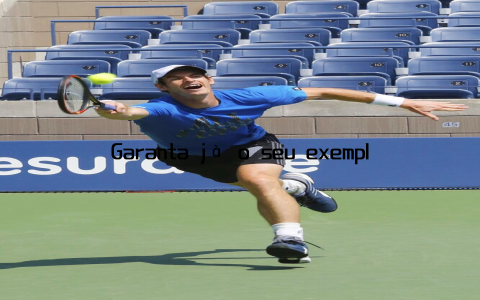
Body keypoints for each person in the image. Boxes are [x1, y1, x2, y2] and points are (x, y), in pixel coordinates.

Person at [95, 65, 467, 264]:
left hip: (252, 145)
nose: (188, 79)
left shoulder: (251, 96)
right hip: (191, 157)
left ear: (210, 79)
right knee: (257, 184)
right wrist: (115, 109)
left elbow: (323, 91)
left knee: (257, 179)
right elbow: (128, 112)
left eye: (194, 74)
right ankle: (297, 187)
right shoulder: (160, 108)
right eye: (175, 78)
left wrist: (402, 103)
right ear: (164, 88)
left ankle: (289, 239)